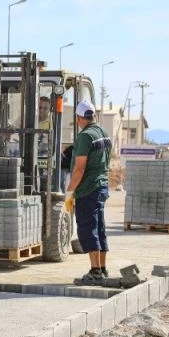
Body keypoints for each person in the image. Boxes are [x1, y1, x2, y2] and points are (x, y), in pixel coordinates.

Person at [66, 100, 112, 284]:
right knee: (99, 228)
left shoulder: (85, 136)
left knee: (88, 229)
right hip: (101, 186)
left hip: (88, 189)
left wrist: (70, 192)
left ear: (79, 117)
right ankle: (102, 269)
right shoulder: (103, 133)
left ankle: (95, 272)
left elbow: (79, 169)